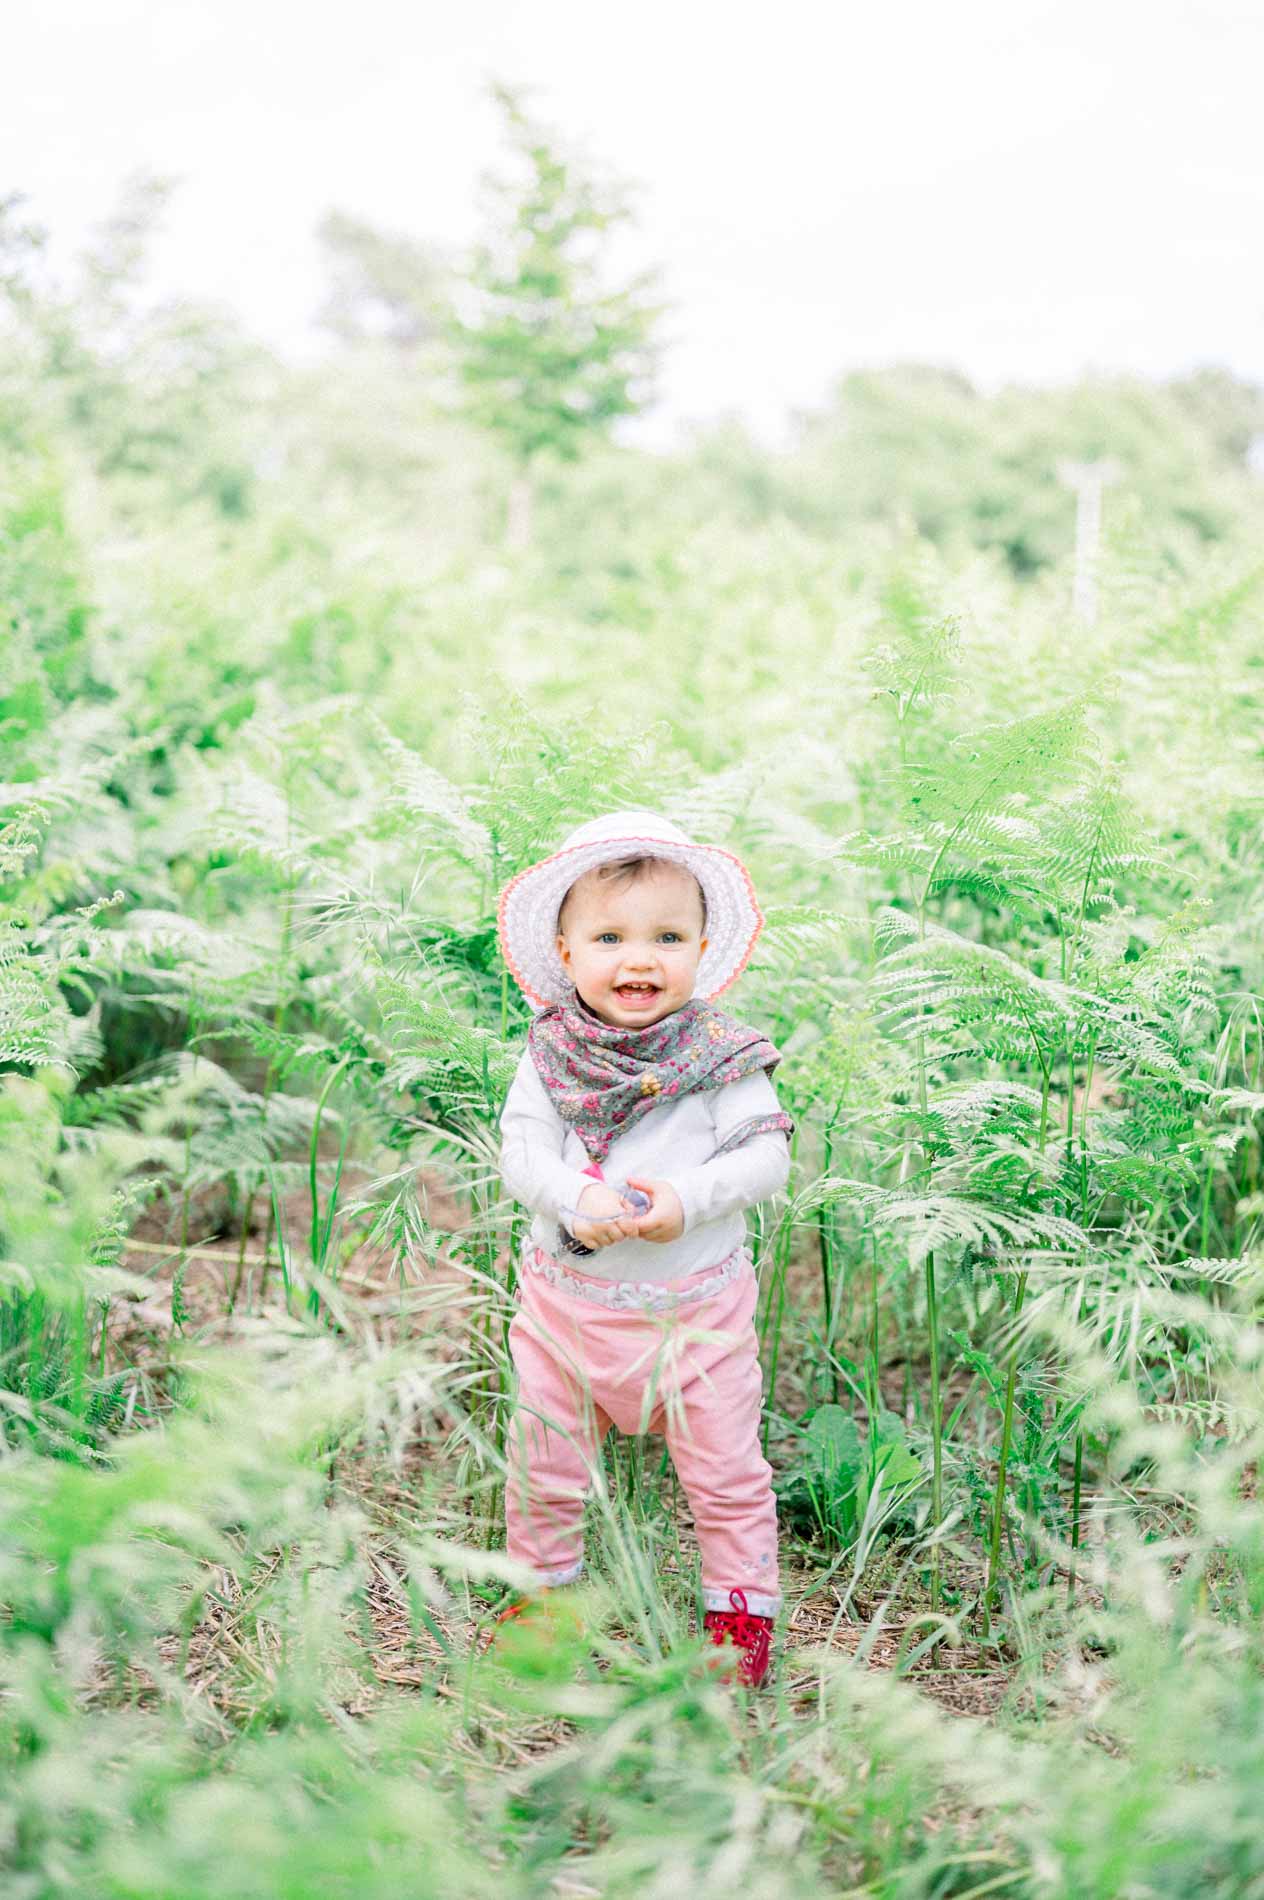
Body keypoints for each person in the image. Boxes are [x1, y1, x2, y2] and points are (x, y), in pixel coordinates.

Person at [492, 809, 794, 1687]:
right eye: (611, 936)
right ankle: (542, 1610)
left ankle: (737, 1631)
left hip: (695, 1315)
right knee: (543, 1466)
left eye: (668, 936)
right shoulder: (550, 1055)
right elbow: (522, 1154)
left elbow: (767, 1156)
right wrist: (574, 1195)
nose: (639, 959)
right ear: (566, 948)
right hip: (567, 1314)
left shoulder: (720, 1057)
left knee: (728, 1476)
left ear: (702, 947)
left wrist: (686, 1200)